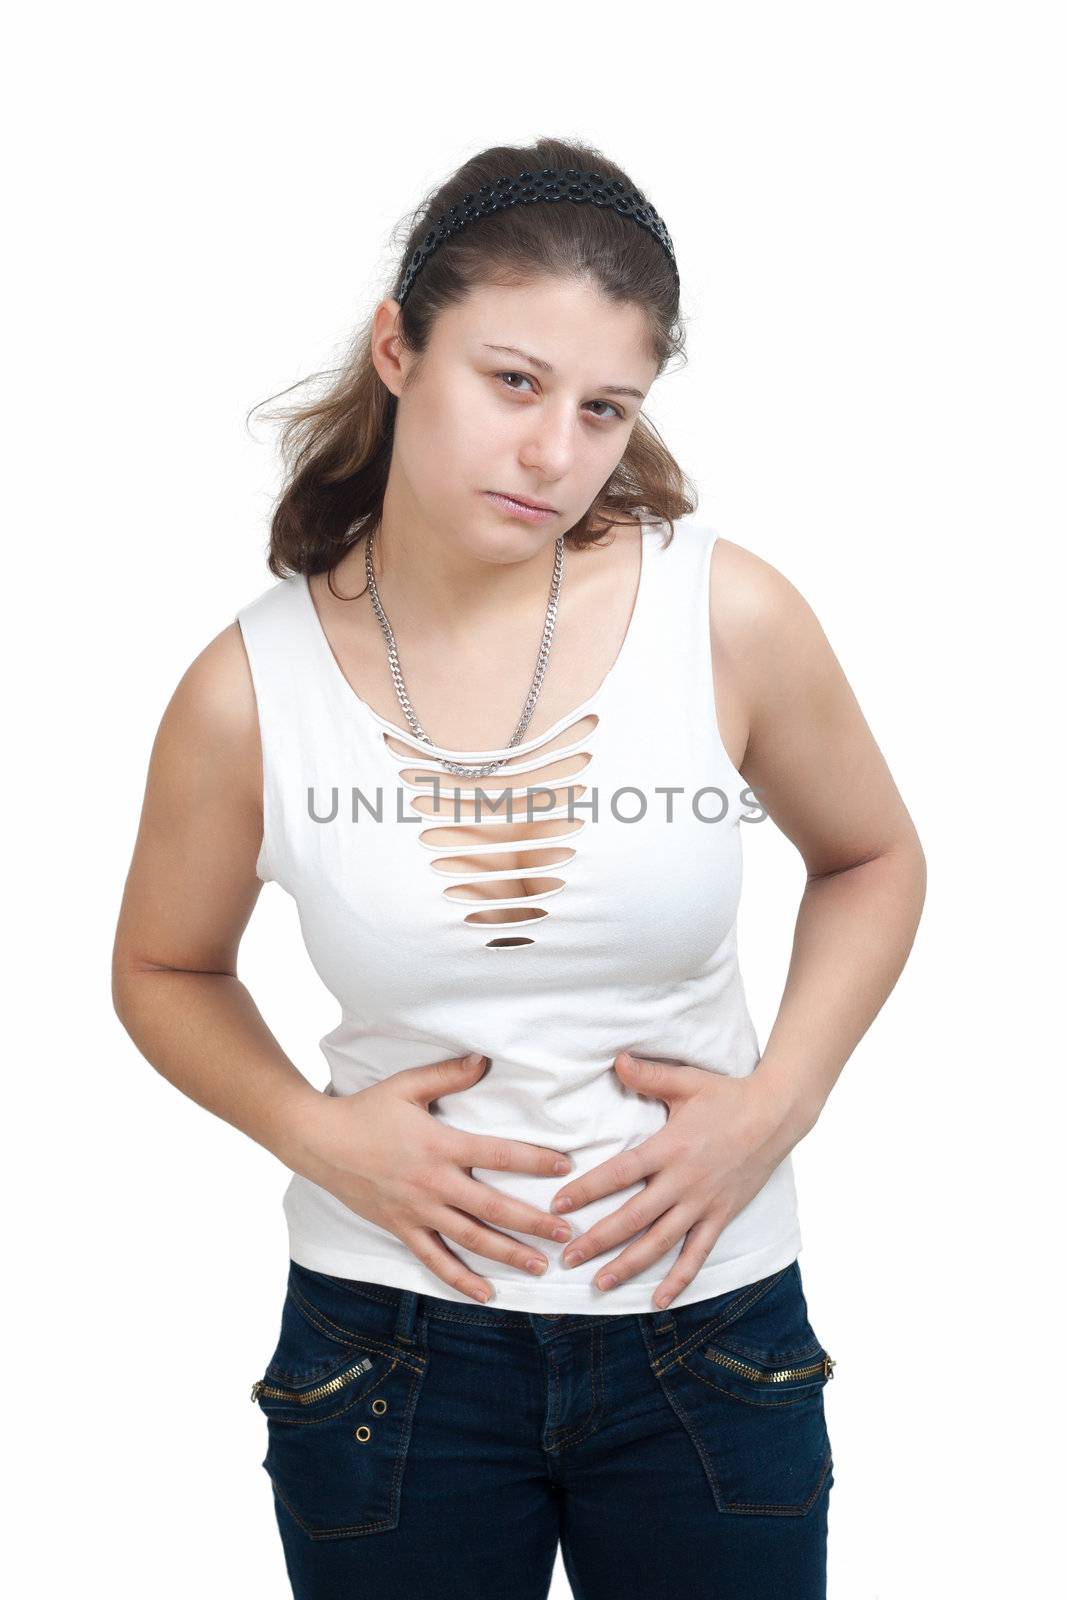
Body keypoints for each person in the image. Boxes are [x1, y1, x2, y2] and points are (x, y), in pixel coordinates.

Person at [111, 136, 927, 1600]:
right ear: (397, 350)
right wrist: (315, 1130)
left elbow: (871, 858)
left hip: (709, 1329)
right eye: (514, 381)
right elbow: (163, 969)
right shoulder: (250, 687)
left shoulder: (724, 613)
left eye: (606, 408)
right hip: (389, 1353)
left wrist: (778, 1107)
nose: (557, 451)